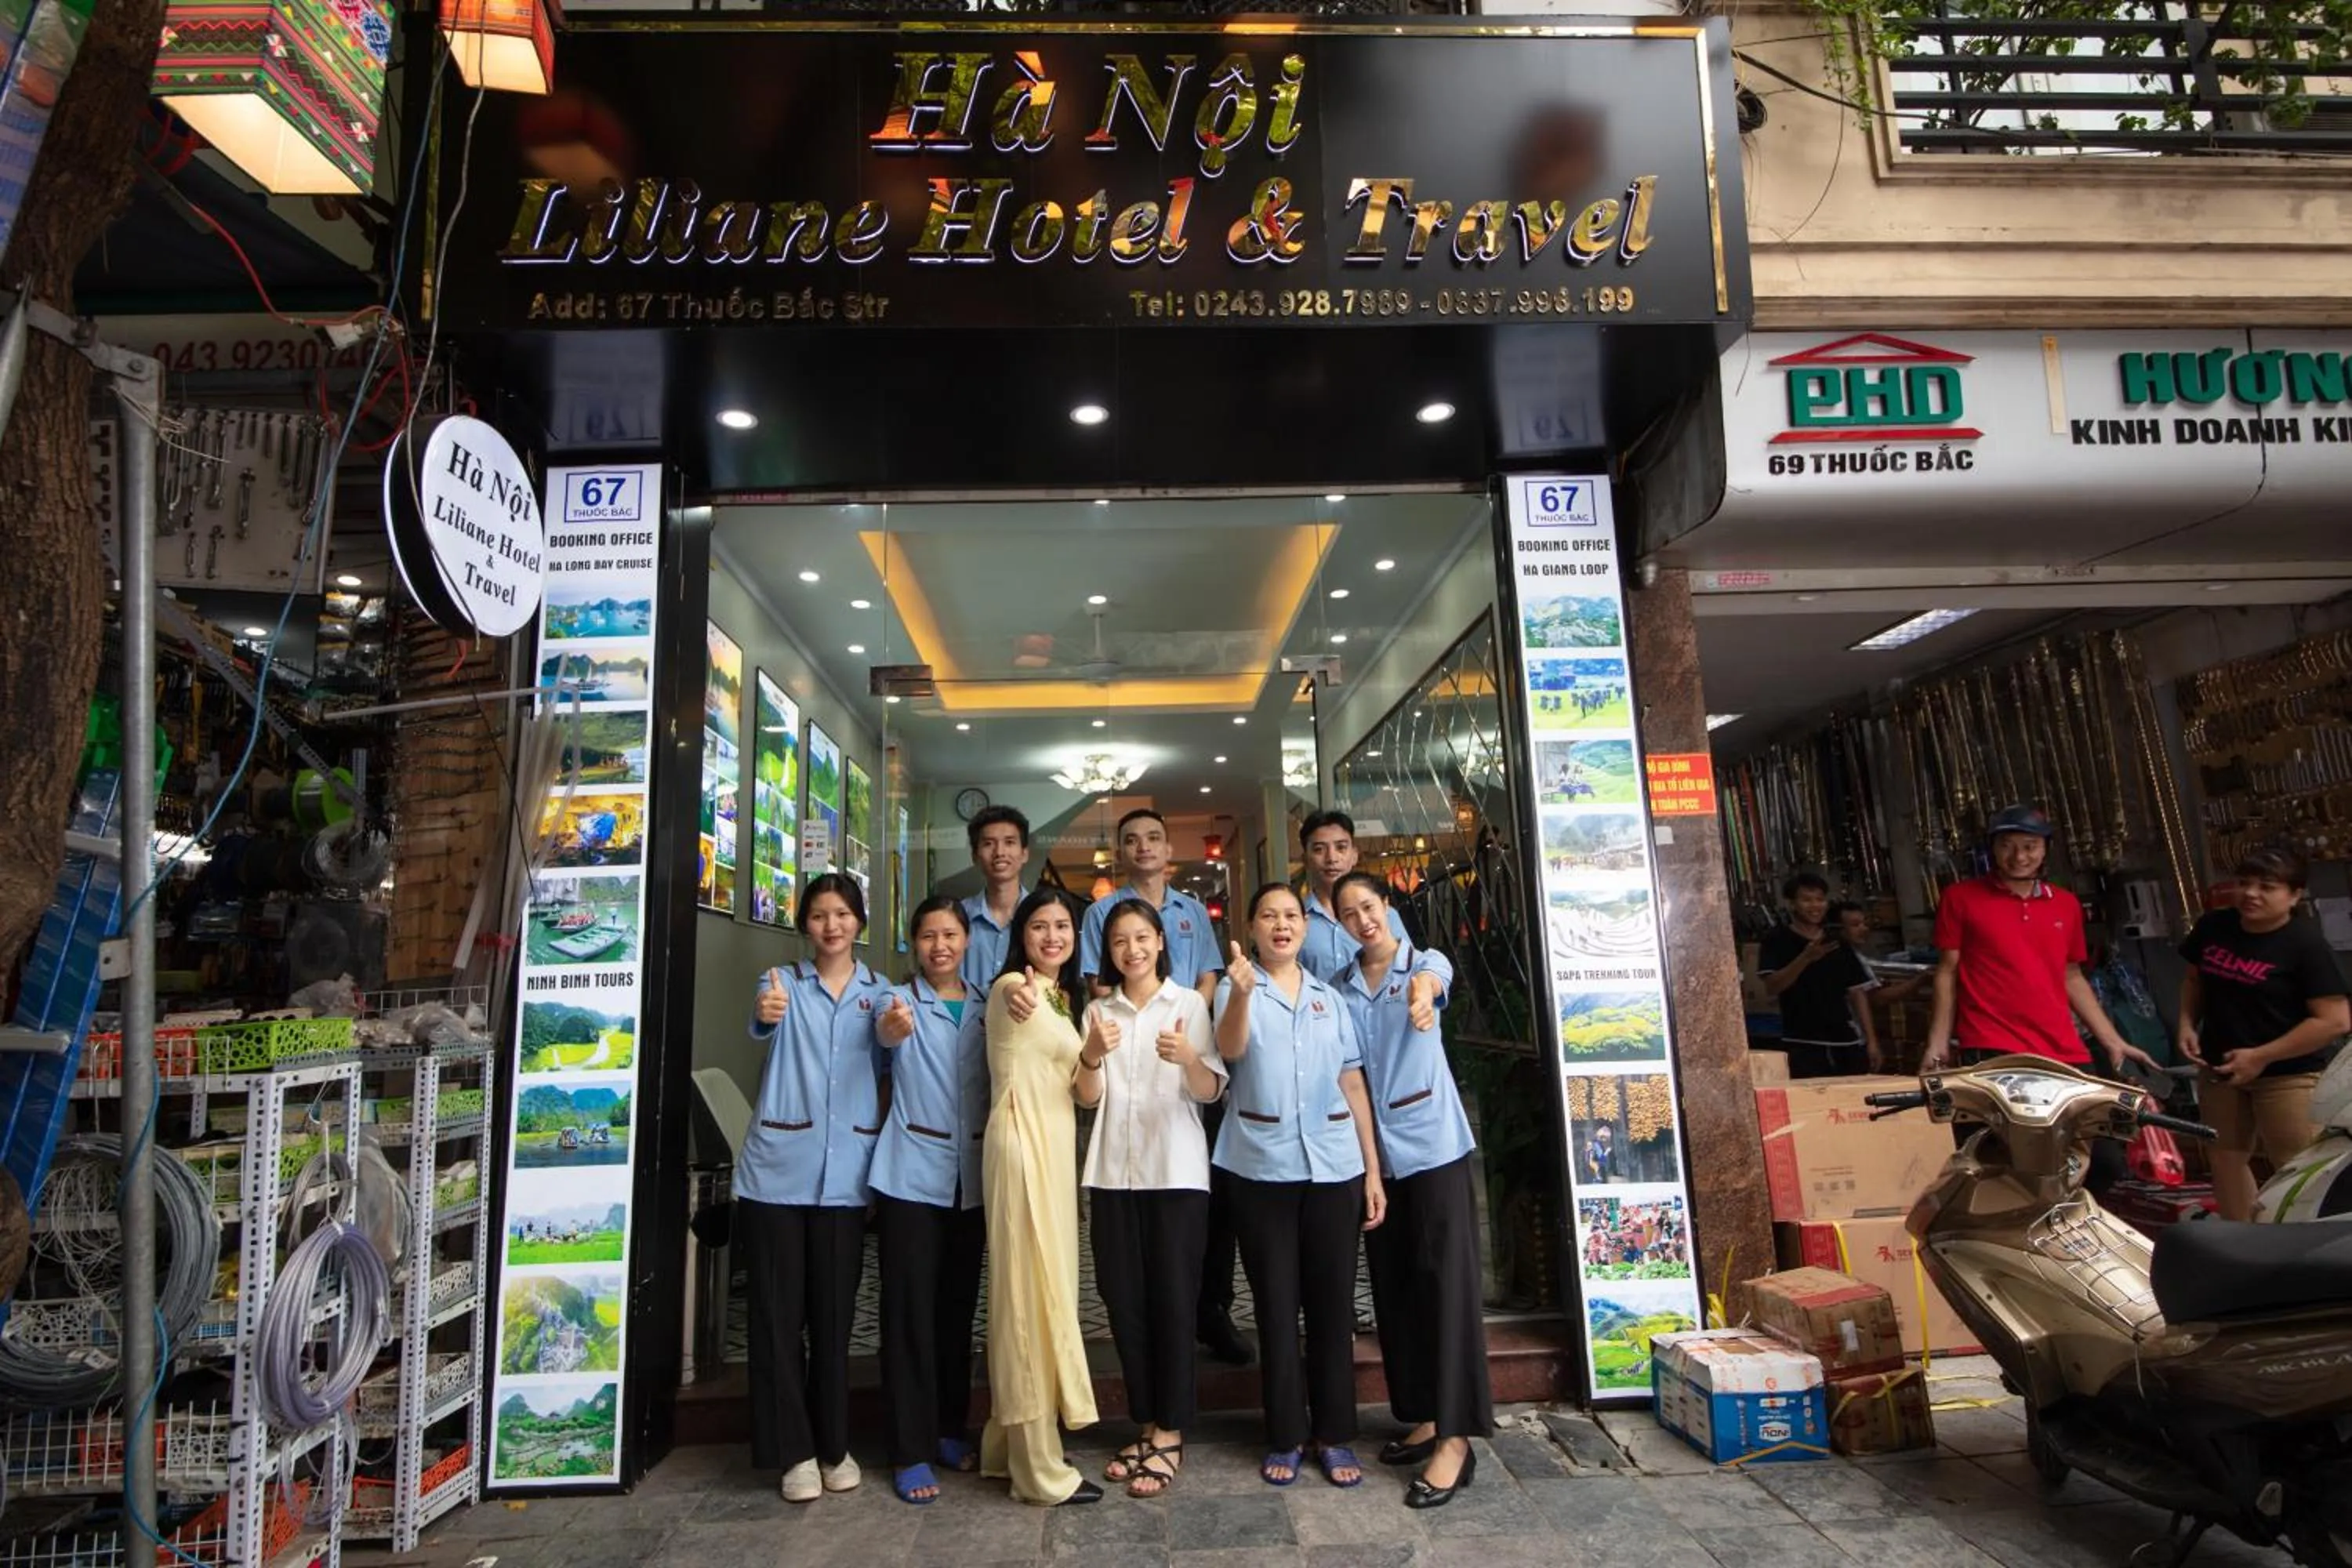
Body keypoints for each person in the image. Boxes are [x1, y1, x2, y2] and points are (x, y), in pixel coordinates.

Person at [1213, 884, 1385, 1490]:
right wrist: (1239, 994)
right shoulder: (1237, 988)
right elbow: (1229, 1053)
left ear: (1306, 929)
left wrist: (1370, 1170)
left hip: (1334, 1170)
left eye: (1291, 916)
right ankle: (1285, 1432)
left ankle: (1334, 1434)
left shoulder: (1329, 999)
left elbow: (1353, 1084)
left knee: (1332, 1308)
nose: (1281, 926)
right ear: (1252, 928)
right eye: (1269, 917)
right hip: (1261, 1170)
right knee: (1276, 1307)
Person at [1062, 808, 1246, 1366]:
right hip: (1126, 1051)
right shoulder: (1100, 912)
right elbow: (1097, 977)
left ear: (1170, 850)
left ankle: (1211, 1311)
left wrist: (1188, 1018)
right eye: (1132, 840)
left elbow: (1209, 974)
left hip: (1187, 1053)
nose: (1144, 847)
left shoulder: (1192, 909)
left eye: (1155, 838)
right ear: (1121, 852)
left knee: (1203, 1199)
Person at [1331, 871, 1488, 1510]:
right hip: (1379, 1162)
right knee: (1396, 1291)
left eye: (1369, 906)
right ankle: (1424, 1414)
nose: (1363, 920)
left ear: (1387, 907)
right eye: (1348, 913)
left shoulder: (1424, 964)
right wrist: (1368, 1167)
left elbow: (1433, 987)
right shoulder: (1341, 989)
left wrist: (1423, 997)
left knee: (1447, 1290)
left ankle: (1456, 1439)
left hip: (1433, 1150)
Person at [740, 873, 891, 1504]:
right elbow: (762, 1024)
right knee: (778, 1319)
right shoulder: (780, 985)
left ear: (860, 922)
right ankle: (792, 1452)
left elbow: (890, 1051)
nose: (832, 925)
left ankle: (834, 1445)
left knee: (834, 1318)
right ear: (805, 925)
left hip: (846, 1178)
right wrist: (761, 1015)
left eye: (843, 914)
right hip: (778, 1174)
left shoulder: (880, 994)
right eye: (820, 915)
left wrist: (897, 1034)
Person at [1922, 805, 2161, 1189]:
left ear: (2046, 849)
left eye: (2030, 846)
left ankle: (2067, 1237)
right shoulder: (1960, 899)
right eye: (2008, 846)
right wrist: (1938, 1043)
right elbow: (1947, 972)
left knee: (2099, 1164)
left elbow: (2071, 976)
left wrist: (2113, 1041)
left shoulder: (2065, 904)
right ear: (1993, 849)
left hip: (2064, 1051)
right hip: (1993, 1050)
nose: (2019, 857)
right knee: (2012, 1163)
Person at [1076, 899, 1227, 1498]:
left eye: (1142, 937)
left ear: (1161, 942)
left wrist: (1189, 1057)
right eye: (1119, 941)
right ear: (1108, 952)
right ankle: (1145, 1422)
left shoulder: (1189, 1004)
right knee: (1123, 1304)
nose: (1132, 949)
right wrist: (1090, 1054)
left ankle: (1171, 1432)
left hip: (1177, 1175)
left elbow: (1211, 1089)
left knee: (1172, 1304)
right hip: (1113, 1174)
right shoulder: (1097, 1010)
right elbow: (1088, 1100)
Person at [979, 889, 1102, 1506]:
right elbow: (1010, 1003)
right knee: (1027, 1300)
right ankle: (1039, 1472)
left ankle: (1011, 1444)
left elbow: (1086, 1095)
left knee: (1047, 1286)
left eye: (1063, 926)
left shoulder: (1063, 997)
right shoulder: (1014, 987)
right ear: (1020, 935)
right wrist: (1019, 993)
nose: (1052, 936)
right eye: (1039, 926)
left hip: (1055, 1153)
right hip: (1022, 1149)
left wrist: (1095, 1054)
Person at [869, 897, 991, 1504]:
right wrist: (890, 1036)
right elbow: (877, 1049)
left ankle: (949, 1426)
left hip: (972, 1183)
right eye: (927, 936)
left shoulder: (989, 1005)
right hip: (911, 1179)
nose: (939, 945)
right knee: (909, 1316)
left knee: (956, 1313)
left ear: (967, 940)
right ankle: (909, 1448)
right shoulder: (894, 1002)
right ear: (912, 943)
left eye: (949, 934)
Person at [2175, 844, 2350, 1222]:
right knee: (2225, 1159)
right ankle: (2244, 1246)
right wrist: (2187, 1024)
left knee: (2300, 1170)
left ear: (2294, 895)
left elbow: (2335, 1021)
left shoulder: (2305, 945)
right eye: (2244, 883)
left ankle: (2303, 1257)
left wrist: (2262, 1055)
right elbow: (2194, 979)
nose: (2251, 894)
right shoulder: (2213, 927)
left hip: (2288, 1075)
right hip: (2220, 1068)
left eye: (2267, 887)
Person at [1758, 873, 1880, 1076]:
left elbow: (1857, 993)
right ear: (1791, 904)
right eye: (1806, 900)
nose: (1815, 906)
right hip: (1802, 1042)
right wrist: (1806, 958)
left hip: (1846, 1040)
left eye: (1820, 900)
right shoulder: (1776, 939)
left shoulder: (1837, 941)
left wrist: (1872, 1042)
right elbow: (1773, 986)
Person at [1297, 810, 1406, 983]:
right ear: (1306, 859)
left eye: (1341, 847)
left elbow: (1411, 968)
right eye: (1319, 849)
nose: (1331, 858)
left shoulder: (1385, 915)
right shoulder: (1295, 921)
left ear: (1354, 855)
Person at [959, 805, 1031, 994]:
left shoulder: (1041, 917)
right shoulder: (958, 917)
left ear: (1024, 853)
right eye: (989, 843)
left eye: (1009, 842)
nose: (1000, 852)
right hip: (964, 1023)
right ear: (975, 856)